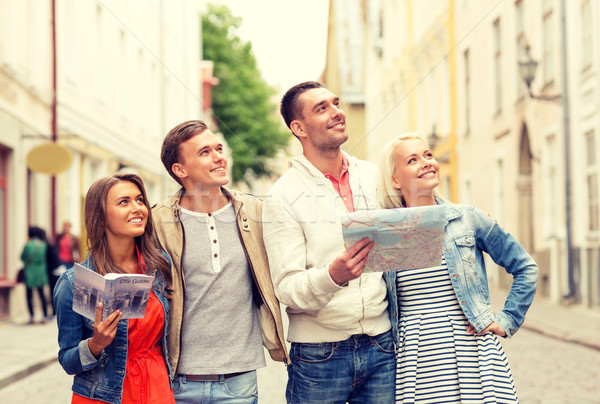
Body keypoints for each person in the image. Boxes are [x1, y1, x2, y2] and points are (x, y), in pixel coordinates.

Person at [377, 133, 538, 403]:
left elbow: (525, 268)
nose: (426, 162)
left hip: (473, 353)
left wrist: (506, 321)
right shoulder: (385, 233)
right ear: (395, 179)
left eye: (428, 155)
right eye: (412, 160)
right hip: (416, 360)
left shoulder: (468, 219)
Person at [261, 81, 396, 404]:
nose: (337, 113)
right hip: (319, 356)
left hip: (382, 345)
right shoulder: (282, 195)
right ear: (299, 128)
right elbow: (286, 286)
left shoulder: (372, 175)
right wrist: (332, 276)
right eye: (322, 109)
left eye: (335, 104)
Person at [152, 119, 289, 404]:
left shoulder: (255, 211)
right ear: (180, 170)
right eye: (205, 152)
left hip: (238, 382)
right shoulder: (157, 221)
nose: (218, 157)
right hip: (176, 381)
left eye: (218, 148)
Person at [53, 173, 175, 404]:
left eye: (140, 200)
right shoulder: (74, 283)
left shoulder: (159, 266)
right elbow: (67, 360)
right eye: (124, 202)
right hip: (103, 396)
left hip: (156, 391)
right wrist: (95, 345)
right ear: (100, 218)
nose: (137, 208)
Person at [20, 226, 50, 324]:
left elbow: (22, 257)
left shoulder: (28, 245)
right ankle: (45, 315)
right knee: (42, 294)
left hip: (30, 271)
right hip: (41, 271)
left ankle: (32, 316)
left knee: (29, 295)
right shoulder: (43, 245)